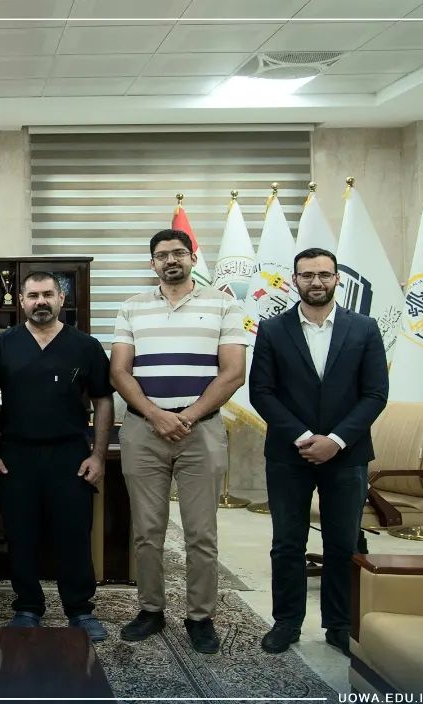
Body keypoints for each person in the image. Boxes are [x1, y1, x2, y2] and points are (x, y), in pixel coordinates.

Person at [110, 229, 247, 654]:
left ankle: (199, 617)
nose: (171, 260)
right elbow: (119, 372)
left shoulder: (225, 304)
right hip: (143, 430)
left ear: (192, 258)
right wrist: (156, 415)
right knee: (147, 531)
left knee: (201, 533)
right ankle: (150, 609)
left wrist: (185, 417)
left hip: (200, 430)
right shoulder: (131, 307)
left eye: (179, 253)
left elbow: (233, 373)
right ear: (152, 263)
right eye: (162, 255)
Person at [250, 247, 388, 656]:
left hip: (347, 454)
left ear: (337, 279)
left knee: (343, 543)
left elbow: (375, 393)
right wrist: (304, 437)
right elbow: (262, 392)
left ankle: (339, 625)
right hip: (288, 455)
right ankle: (286, 622)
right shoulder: (272, 329)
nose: (316, 282)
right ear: (294, 280)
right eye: (307, 275)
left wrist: (336, 440)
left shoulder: (364, 328)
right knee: (287, 543)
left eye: (324, 274)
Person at [0, 272, 114, 642]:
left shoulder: (85, 346)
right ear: (21, 301)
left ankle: (80, 610)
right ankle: (27, 607)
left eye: (48, 294)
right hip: (16, 454)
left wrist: (98, 455)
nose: (41, 301)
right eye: (33, 295)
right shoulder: (1, 345)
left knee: (74, 533)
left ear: (60, 299)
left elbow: (103, 400)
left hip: (70, 453)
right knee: (21, 534)